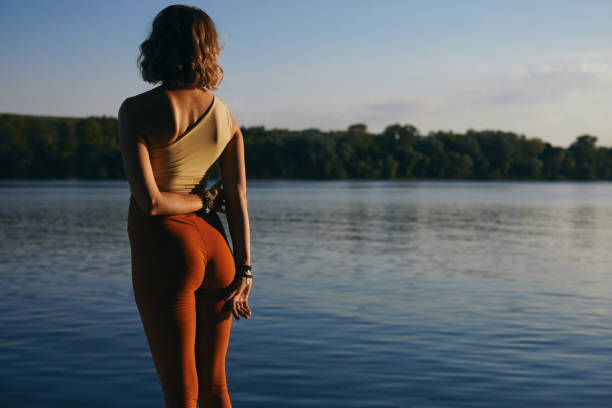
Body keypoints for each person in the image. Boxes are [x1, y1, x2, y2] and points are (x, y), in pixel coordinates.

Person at [118, 5, 252, 407]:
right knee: (215, 388)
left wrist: (203, 198)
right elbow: (240, 197)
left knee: (181, 396)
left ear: (156, 46)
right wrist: (245, 269)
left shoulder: (136, 110)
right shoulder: (225, 115)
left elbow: (153, 203)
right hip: (218, 247)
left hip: (167, 245)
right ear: (209, 49)